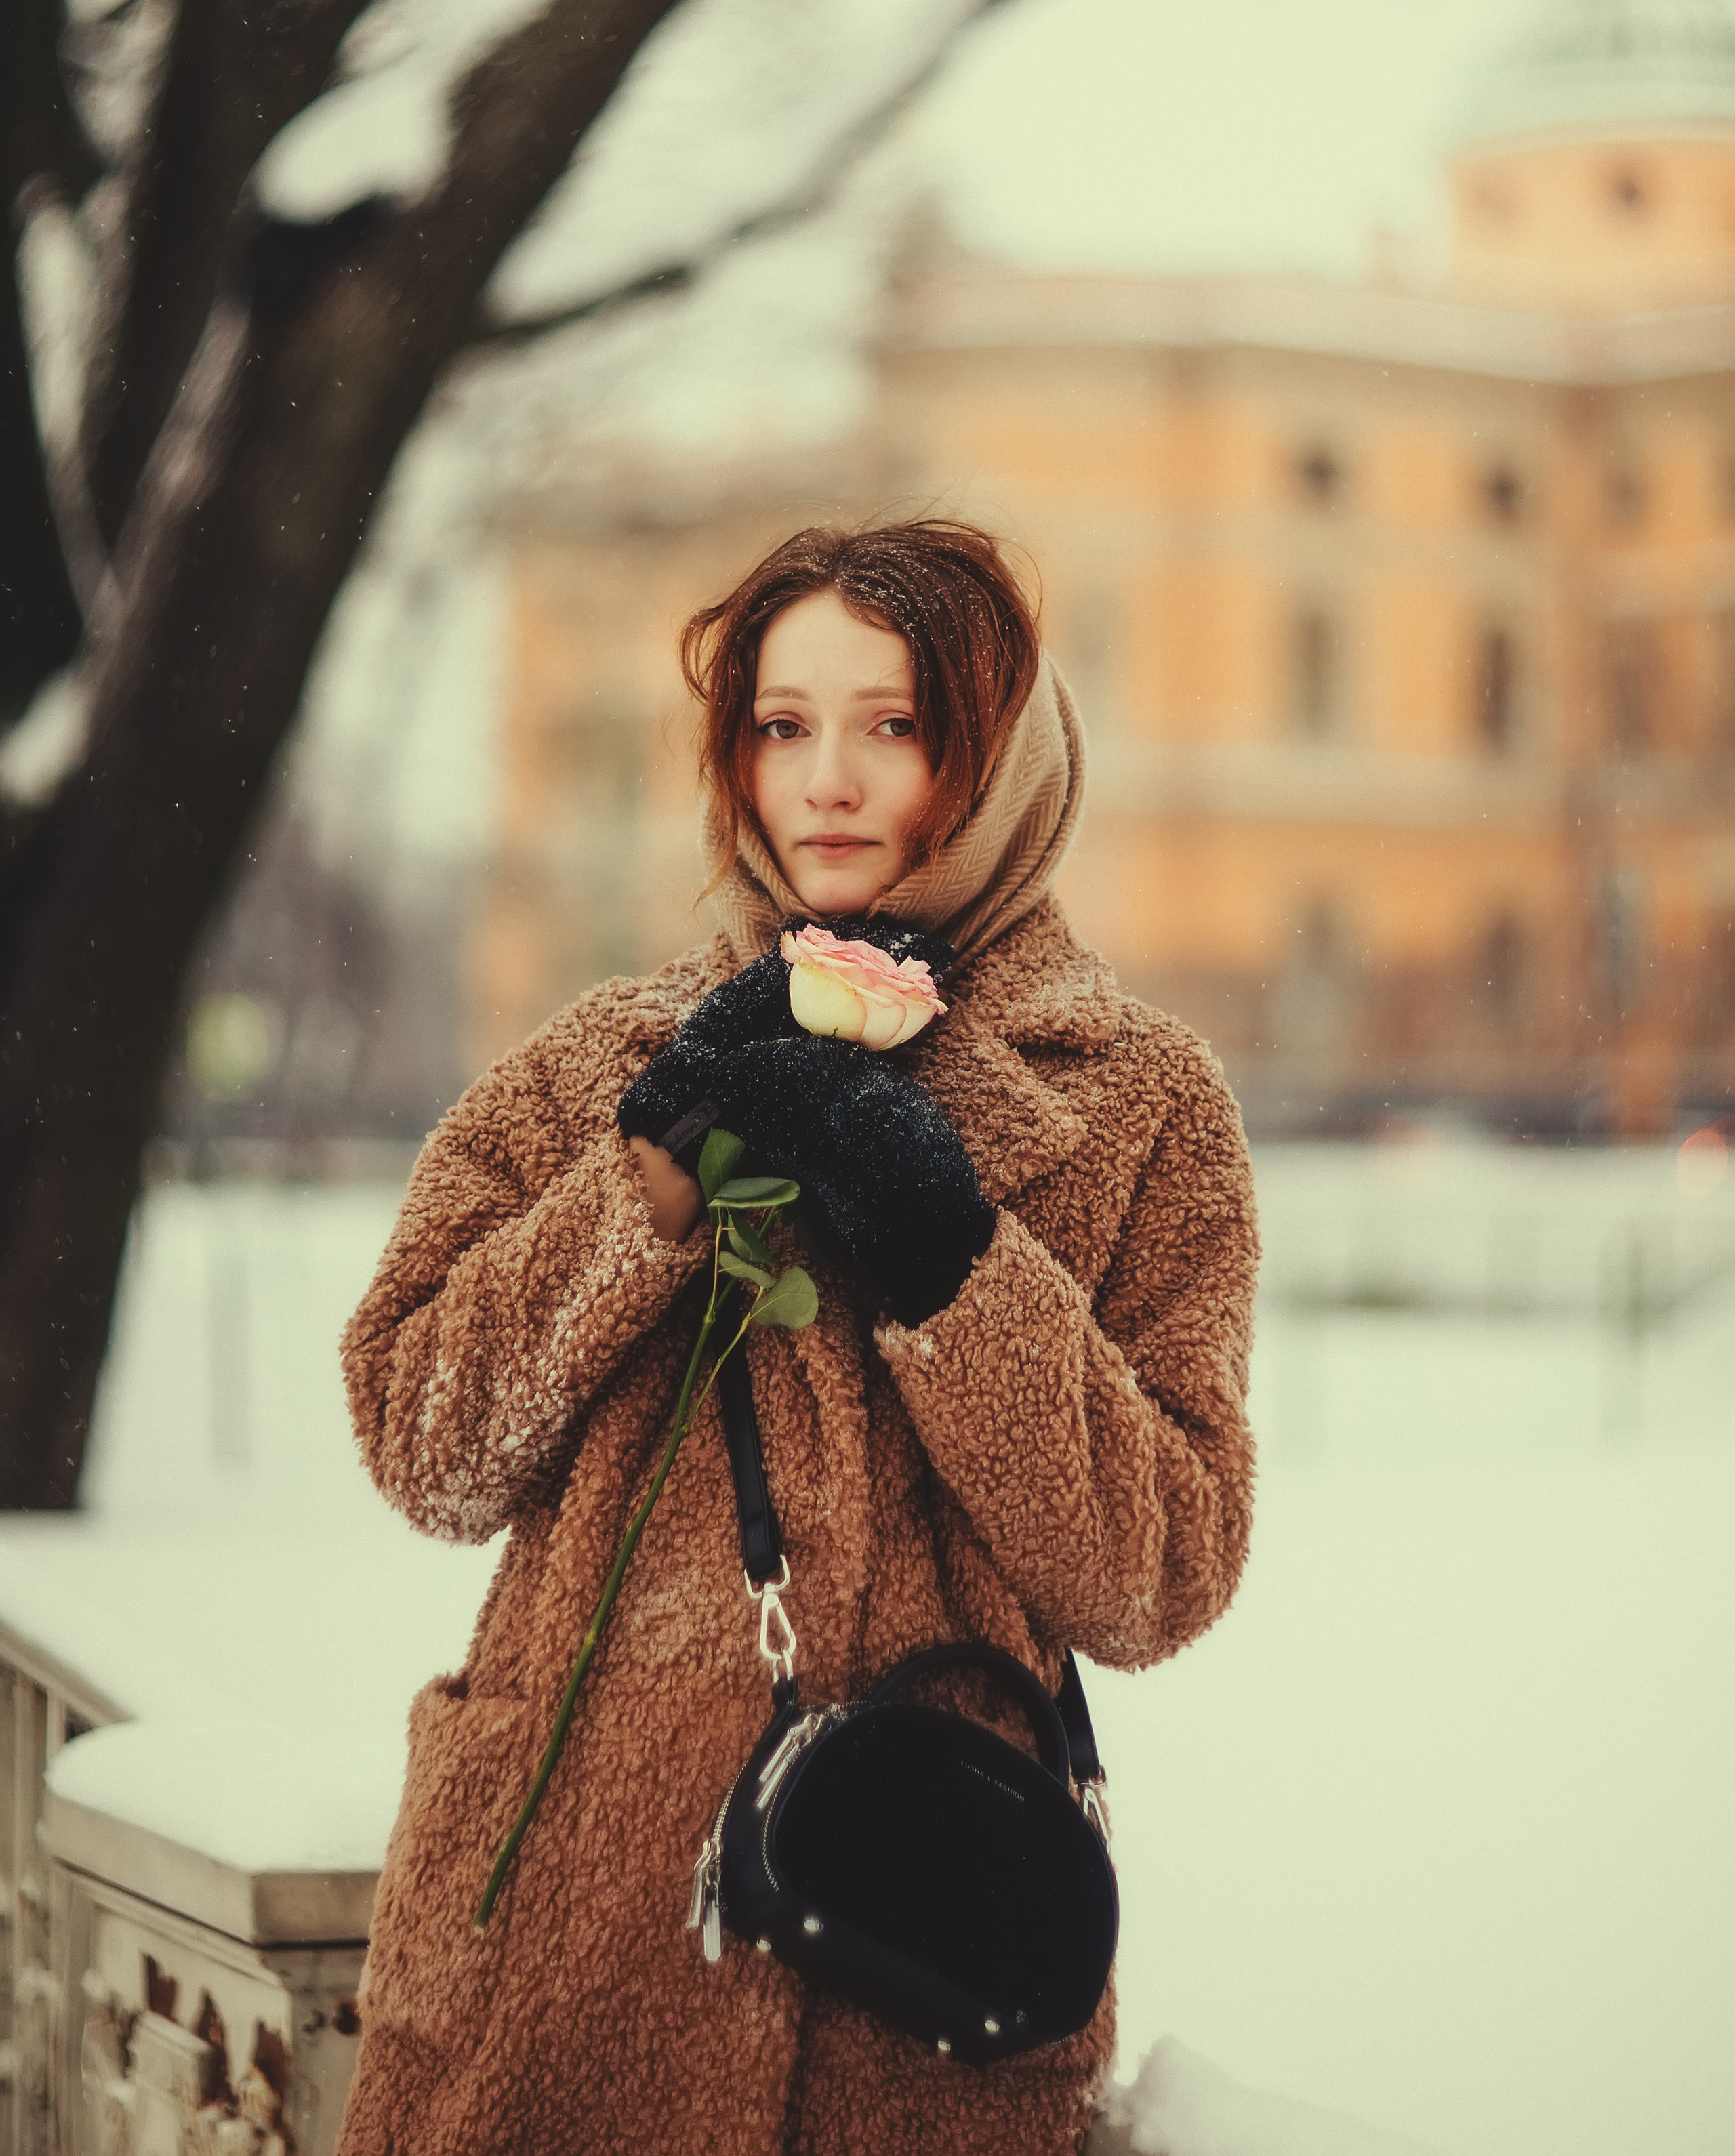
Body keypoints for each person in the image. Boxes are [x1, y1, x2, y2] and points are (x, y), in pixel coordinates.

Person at [335, 518, 1258, 2156]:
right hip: (549, 1973)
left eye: (892, 726)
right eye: (781, 726)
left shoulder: (1140, 1109)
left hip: (908, 2000)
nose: (826, 780)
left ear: (999, 758)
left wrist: (948, 1257)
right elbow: (429, 1440)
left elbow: (1159, 1569)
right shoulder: (603, 1062)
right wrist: (649, 1175)